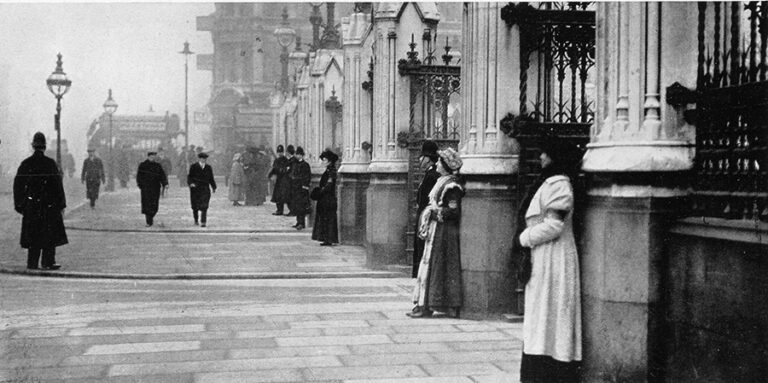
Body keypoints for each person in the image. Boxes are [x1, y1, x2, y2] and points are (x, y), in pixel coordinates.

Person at [516, 139, 582, 383]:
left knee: (551, 316)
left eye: (546, 153)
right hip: (544, 257)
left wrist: (524, 238)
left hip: (555, 258)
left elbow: (554, 225)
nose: (541, 157)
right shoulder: (548, 182)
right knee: (541, 316)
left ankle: (551, 372)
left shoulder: (560, 184)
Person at [409, 147, 464, 319]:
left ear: (446, 166)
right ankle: (424, 304)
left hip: (444, 232)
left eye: (440, 161)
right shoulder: (442, 181)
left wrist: (435, 213)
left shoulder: (451, 185)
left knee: (439, 267)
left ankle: (433, 304)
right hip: (436, 230)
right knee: (430, 266)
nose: (437, 164)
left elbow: (453, 212)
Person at [13, 132, 67, 270]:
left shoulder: (26, 164)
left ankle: (32, 262)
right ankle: (48, 261)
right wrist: (61, 204)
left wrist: (21, 205)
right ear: (44, 147)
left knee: (33, 236)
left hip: (32, 206)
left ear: (33, 146)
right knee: (49, 236)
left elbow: (18, 186)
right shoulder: (50, 164)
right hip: (49, 206)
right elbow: (57, 185)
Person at [412, 140, 441, 278]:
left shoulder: (432, 176)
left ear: (428, 159)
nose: (419, 160)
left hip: (426, 217)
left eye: (422, 157)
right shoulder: (429, 175)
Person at [311, 149, 339, 245]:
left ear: (330, 161)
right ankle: (326, 238)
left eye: (325, 160)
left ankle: (328, 239)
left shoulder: (331, 171)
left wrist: (321, 191)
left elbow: (329, 184)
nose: (323, 162)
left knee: (328, 218)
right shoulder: (328, 170)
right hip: (325, 198)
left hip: (328, 199)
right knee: (324, 218)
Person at [136, 151, 168, 227]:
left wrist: (165, 183)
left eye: (153, 157)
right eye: (151, 157)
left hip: (155, 188)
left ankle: (151, 216)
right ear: (148, 157)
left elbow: (162, 176)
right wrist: (141, 185)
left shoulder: (157, 166)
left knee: (155, 205)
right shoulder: (143, 165)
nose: (152, 158)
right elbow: (139, 176)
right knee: (147, 205)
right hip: (146, 188)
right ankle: (149, 221)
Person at [188, 152, 217, 227]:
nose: (203, 160)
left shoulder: (208, 167)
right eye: (202, 158)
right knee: (195, 206)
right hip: (195, 189)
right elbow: (189, 177)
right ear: (199, 159)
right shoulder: (193, 167)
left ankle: (203, 221)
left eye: (205, 159)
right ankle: (196, 220)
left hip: (205, 189)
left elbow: (211, 178)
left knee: (205, 205)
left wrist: (213, 187)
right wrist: (191, 183)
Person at [289, 146, 311, 230]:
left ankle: (302, 223)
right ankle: (298, 221)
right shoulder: (295, 164)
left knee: (301, 206)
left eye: (298, 154)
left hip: (301, 188)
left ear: (301, 155)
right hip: (295, 188)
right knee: (296, 206)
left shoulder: (305, 165)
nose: (297, 156)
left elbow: (307, 177)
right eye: (296, 154)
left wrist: (305, 186)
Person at [268, 145, 291, 215]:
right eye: (278, 152)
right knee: (277, 196)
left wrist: (282, 170)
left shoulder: (286, 160)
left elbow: (287, 169)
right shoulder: (276, 160)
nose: (279, 153)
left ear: (283, 152)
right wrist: (270, 175)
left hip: (284, 180)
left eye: (281, 152)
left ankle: (290, 210)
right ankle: (279, 210)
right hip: (278, 180)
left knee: (285, 196)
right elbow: (273, 169)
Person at [285, 145, 297, 216]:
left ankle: (293, 211)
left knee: (291, 197)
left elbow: (291, 171)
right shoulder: (291, 160)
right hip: (289, 181)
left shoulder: (293, 161)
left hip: (291, 181)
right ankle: (291, 210)